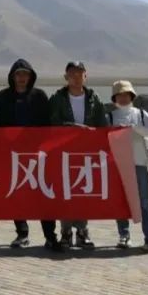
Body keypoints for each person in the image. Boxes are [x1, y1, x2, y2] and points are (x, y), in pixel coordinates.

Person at [0, 59, 60, 251]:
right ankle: (22, 233)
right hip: (13, 155)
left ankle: (50, 235)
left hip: (38, 155)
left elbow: (47, 126)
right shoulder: (2, 97)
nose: (22, 78)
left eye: (25, 74)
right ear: (12, 77)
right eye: (18, 74)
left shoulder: (39, 96)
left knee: (44, 194)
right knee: (17, 194)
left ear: (31, 77)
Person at [48, 60, 107, 250]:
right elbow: (52, 123)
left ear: (85, 76)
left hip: (86, 153)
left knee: (83, 191)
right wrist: (77, 128)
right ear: (66, 77)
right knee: (65, 192)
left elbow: (102, 124)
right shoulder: (57, 98)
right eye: (72, 73)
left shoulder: (94, 98)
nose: (76, 76)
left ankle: (82, 232)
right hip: (63, 152)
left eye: (79, 73)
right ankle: (66, 233)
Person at [109, 80, 148, 253]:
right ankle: (124, 235)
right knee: (120, 200)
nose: (123, 98)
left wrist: (135, 128)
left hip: (139, 163)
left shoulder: (141, 114)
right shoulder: (110, 116)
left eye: (126, 94)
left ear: (131, 96)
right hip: (118, 164)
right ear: (115, 97)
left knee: (144, 202)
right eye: (119, 95)